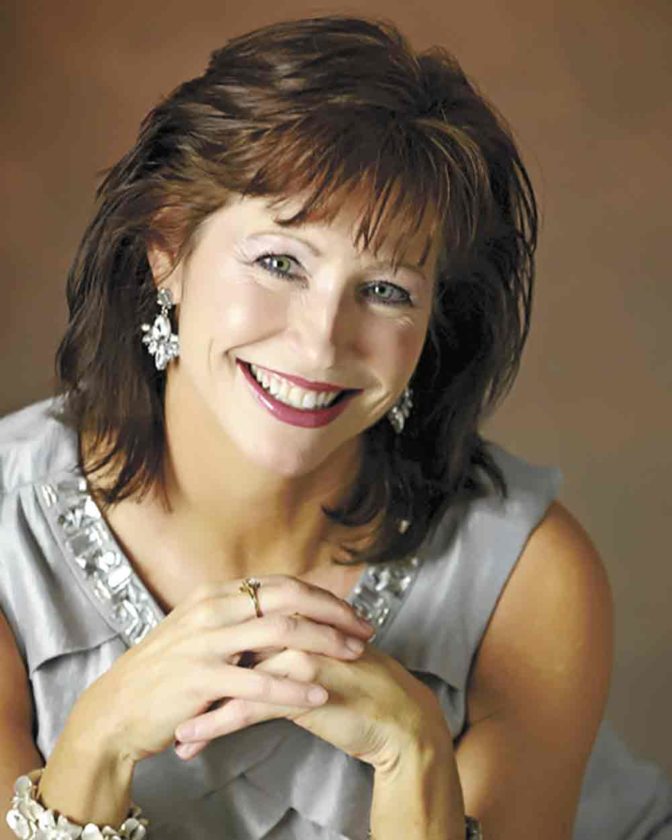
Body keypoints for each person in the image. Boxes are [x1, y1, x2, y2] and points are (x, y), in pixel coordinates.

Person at [1, 13, 670, 840]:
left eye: (386, 290)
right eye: (280, 263)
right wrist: (96, 747)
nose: (321, 342)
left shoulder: (530, 579)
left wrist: (415, 755)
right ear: (166, 248)